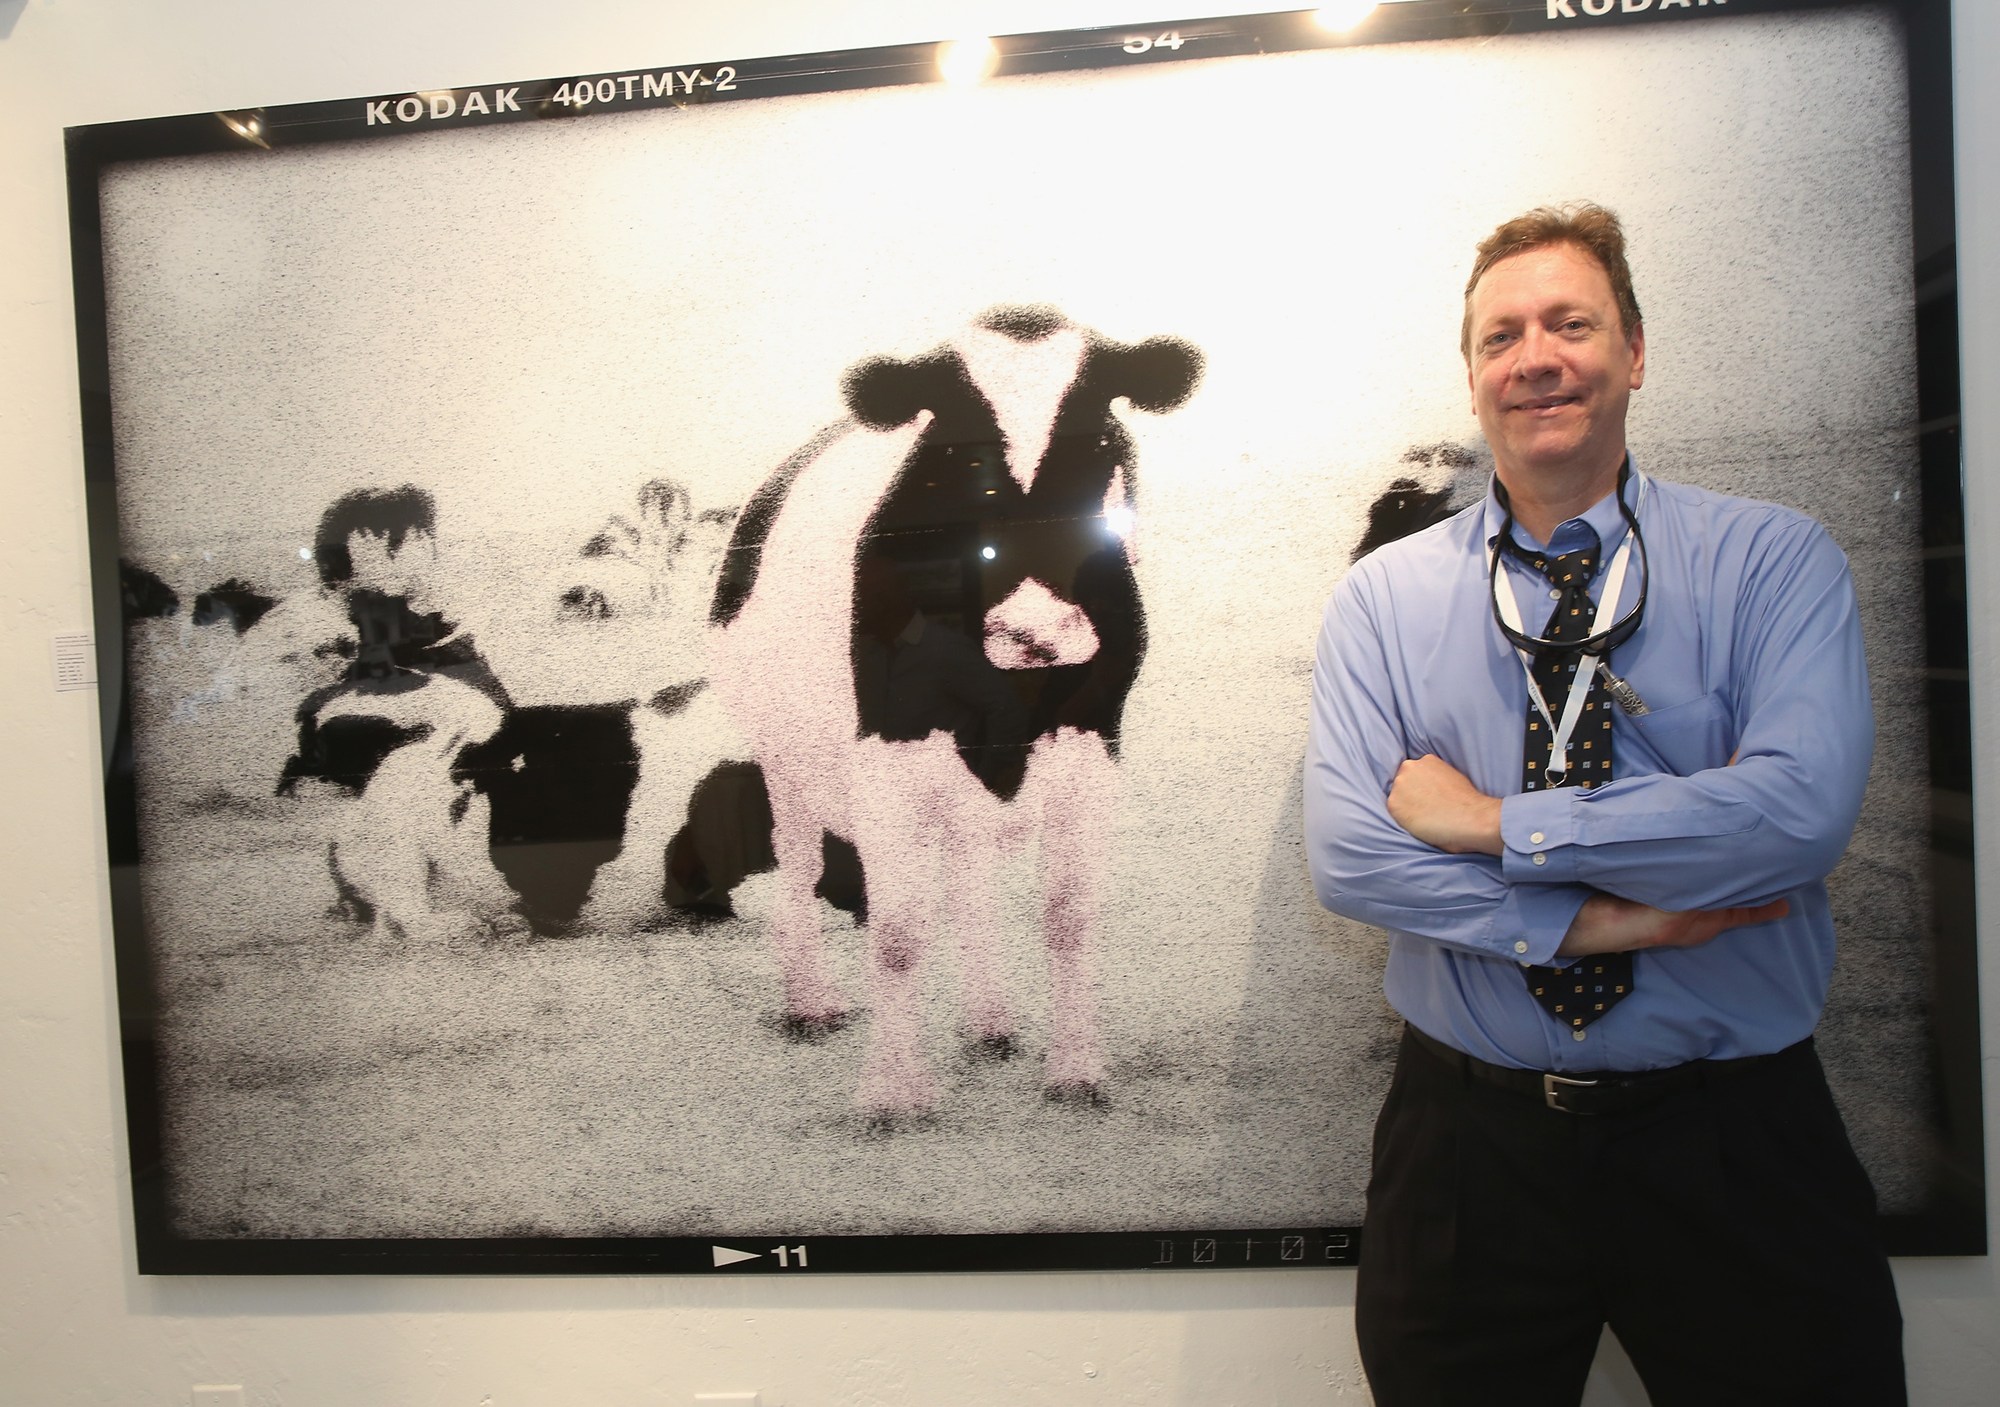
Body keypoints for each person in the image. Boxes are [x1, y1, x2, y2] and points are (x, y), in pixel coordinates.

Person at [1304, 203, 1905, 1405]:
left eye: (1569, 325)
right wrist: (1596, 923)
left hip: (1733, 1139)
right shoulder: (1382, 600)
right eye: (1501, 336)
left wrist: (1492, 825)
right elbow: (1353, 859)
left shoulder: (1773, 563)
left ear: (1633, 352)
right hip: (1466, 1148)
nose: (1534, 357)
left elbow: (1794, 817)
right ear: (1472, 378)